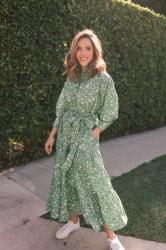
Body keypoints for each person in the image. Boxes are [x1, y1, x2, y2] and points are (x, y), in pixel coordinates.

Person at [45, 29, 128, 250]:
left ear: (95, 51)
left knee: (95, 183)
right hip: (66, 137)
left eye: (88, 48)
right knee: (69, 179)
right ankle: (73, 221)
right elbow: (61, 108)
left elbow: (111, 110)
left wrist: (95, 131)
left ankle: (112, 237)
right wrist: (53, 133)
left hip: (85, 137)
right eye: (79, 49)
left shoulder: (103, 79)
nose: (83, 53)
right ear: (74, 52)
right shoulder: (71, 77)